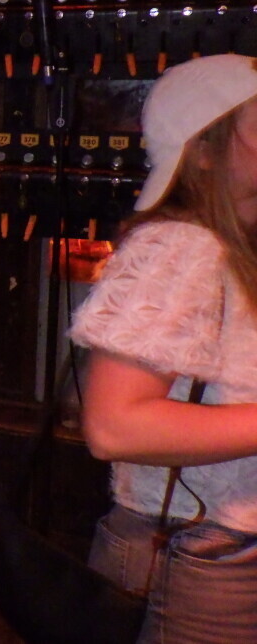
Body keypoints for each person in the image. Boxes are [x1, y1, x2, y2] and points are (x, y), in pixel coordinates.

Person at [73, 53, 257, 642]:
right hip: (203, 558)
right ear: (203, 150)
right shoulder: (179, 248)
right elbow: (115, 427)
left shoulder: (237, 248)